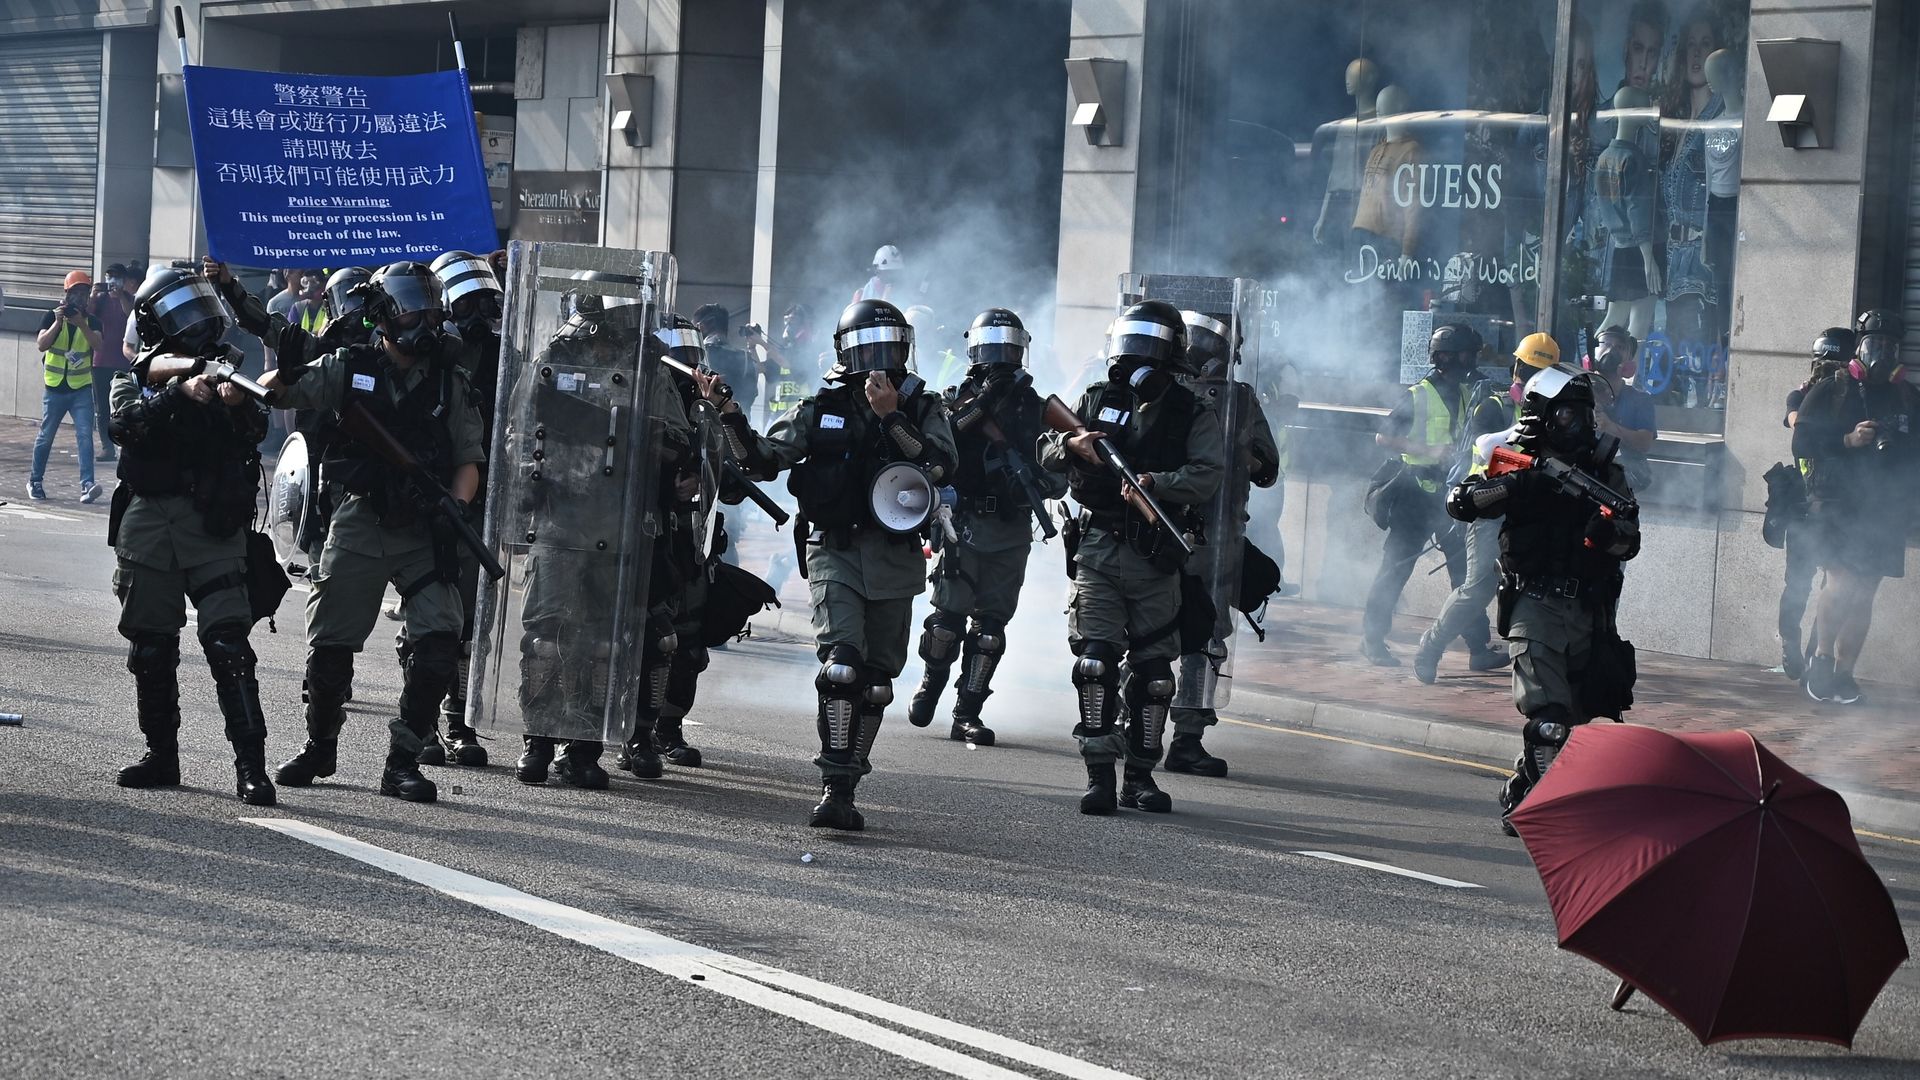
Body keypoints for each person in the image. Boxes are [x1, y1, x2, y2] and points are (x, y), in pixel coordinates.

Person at [222, 260, 485, 803]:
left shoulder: (447, 379)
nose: (425, 317)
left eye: (429, 305)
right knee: (331, 646)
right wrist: (283, 372)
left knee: (438, 643)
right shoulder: (351, 365)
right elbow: (277, 393)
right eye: (413, 304)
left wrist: (454, 507)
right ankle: (321, 746)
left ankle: (403, 761)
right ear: (386, 312)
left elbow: (468, 459)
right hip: (362, 517)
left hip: (424, 524)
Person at [718, 298, 957, 830]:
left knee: (875, 681)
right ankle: (835, 786)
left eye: (888, 349)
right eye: (865, 349)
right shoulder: (819, 407)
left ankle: (852, 775)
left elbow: (938, 463)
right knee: (842, 665)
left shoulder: (923, 407)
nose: (877, 361)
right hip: (836, 550)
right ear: (844, 354)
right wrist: (731, 416)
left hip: (895, 556)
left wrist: (891, 416)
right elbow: (760, 460)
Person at [1038, 301, 1225, 815]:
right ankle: (1099, 774)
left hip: (1155, 555)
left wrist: (1155, 484)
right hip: (1098, 547)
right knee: (1095, 662)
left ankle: (1139, 778)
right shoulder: (1098, 399)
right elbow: (1048, 451)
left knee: (1154, 675)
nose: (1132, 362)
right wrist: (1071, 445)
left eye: (1146, 351)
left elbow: (1208, 474)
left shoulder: (1193, 412)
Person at [510, 273, 690, 789]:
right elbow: (518, 423)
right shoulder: (556, 352)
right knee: (547, 636)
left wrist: (654, 449)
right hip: (559, 517)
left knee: (601, 641)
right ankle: (538, 740)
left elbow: (675, 437)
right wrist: (524, 478)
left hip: (618, 523)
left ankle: (584, 747)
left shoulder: (647, 365)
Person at [1446, 363, 1640, 835]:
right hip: (1533, 604)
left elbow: (1630, 540)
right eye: (1569, 415)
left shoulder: (1602, 470)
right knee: (1547, 719)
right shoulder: (1514, 458)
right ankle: (1545, 811)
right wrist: (1514, 485)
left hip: (1589, 611)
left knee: (1573, 723)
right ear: (1543, 415)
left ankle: (1523, 786)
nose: (1580, 425)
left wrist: (1606, 533)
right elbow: (1461, 502)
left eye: (1584, 415)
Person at [107, 265, 275, 805]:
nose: (196, 324)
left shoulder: (228, 374)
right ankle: (162, 755)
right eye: (181, 314)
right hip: (151, 523)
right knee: (152, 649)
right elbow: (126, 427)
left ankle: (252, 766)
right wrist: (179, 393)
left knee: (230, 647)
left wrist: (236, 406)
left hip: (213, 525)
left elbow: (257, 431)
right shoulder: (131, 376)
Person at [907, 307, 1066, 746]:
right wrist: (983, 404)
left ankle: (967, 712)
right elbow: (945, 443)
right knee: (945, 623)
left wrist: (1038, 481)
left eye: (1009, 349)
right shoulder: (955, 399)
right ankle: (932, 682)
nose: (1001, 357)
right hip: (963, 523)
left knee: (991, 630)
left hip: (1012, 526)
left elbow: (1060, 463)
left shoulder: (1037, 408)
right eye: (992, 348)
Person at [1165, 307, 1280, 777]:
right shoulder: (1158, 395)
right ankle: (1135, 721)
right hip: (1163, 532)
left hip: (1215, 539)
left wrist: (1232, 449)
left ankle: (1187, 737)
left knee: (1206, 638)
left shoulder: (1238, 401)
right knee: (1150, 631)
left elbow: (1267, 467)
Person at [1412, 334, 1561, 685]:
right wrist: (1528, 458)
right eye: (1526, 370)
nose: (1528, 378)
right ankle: (1430, 647)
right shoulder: (1493, 407)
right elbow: (1482, 452)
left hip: (1534, 511)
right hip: (1492, 506)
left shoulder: (1558, 412)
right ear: (1515, 370)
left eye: (1540, 372)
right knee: (1479, 587)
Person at [408, 250, 507, 769]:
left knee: (469, 619)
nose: (474, 315)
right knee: (429, 616)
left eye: (481, 302)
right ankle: (420, 724)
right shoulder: (423, 355)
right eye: (462, 302)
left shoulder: (504, 355)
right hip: (427, 497)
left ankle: (457, 723)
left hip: (480, 498)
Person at [1794, 310, 1920, 705]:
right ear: (1858, 349)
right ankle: (1822, 659)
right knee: (1842, 583)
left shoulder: (1907, 396)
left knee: (1864, 593)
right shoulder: (1834, 389)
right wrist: (1847, 441)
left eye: (1889, 346)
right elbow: (1802, 442)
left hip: (1884, 510)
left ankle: (1845, 675)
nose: (1880, 352)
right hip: (1837, 503)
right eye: (1873, 345)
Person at [1360, 322, 1491, 667]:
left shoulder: (1467, 392)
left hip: (1449, 495)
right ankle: (1372, 640)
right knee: (1395, 569)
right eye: (1466, 353)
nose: (1471, 360)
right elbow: (1384, 437)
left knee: (1466, 573)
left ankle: (1479, 647)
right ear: (1446, 357)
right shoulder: (1418, 394)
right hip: (1413, 493)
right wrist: (1429, 449)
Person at [1774, 326, 1854, 679]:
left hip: (1839, 506)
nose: (1824, 369)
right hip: (1805, 507)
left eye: (1833, 363)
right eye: (1821, 362)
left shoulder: (1854, 401)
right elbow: (1795, 422)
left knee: (1832, 586)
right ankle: (1791, 644)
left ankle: (1814, 656)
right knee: (1798, 583)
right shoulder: (1803, 396)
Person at [31, 270, 105, 503]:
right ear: (67, 293)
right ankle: (35, 481)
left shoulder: (92, 321)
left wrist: (81, 324)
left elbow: (98, 345)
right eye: (76, 293)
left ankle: (87, 485)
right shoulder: (51, 316)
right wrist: (58, 322)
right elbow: (42, 345)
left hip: (80, 388)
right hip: (54, 388)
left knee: (85, 435)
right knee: (46, 437)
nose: (80, 298)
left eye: (85, 293)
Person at [1585, 326, 1660, 491]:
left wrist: (1610, 427)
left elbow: (1644, 443)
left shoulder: (1640, 400)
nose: (1611, 350)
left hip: (1623, 478)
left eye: (1620, 347)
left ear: (1629, 361)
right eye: (1605, 343)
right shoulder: (1579, 391)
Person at [91, 265, 137, 463]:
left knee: (124, 405)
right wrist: (93, 295)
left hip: (123, 361)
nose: (112, 284)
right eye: (110, 278)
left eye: (116, 279)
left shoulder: (130, 299)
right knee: (102, 408)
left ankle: (124, 446)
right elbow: (88, 315)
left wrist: (121, 297)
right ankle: (106, 447)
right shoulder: (100, 299)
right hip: (100, 360)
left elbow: (131, 317)